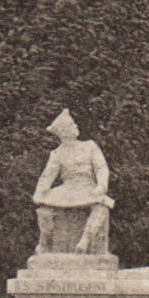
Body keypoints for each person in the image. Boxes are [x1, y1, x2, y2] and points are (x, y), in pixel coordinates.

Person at [32, 109, 114, 254]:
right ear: (63, 132)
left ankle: (85, 241)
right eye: (71, 125)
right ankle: (44, 243)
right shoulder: (57, 154)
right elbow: (47, 176)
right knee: (44, 211)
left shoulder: (90, 146)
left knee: (101, 207)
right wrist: (40, 192)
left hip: (88, 187)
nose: (75, 126)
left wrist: (101, 185)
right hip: (67, 189)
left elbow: (101, 168)